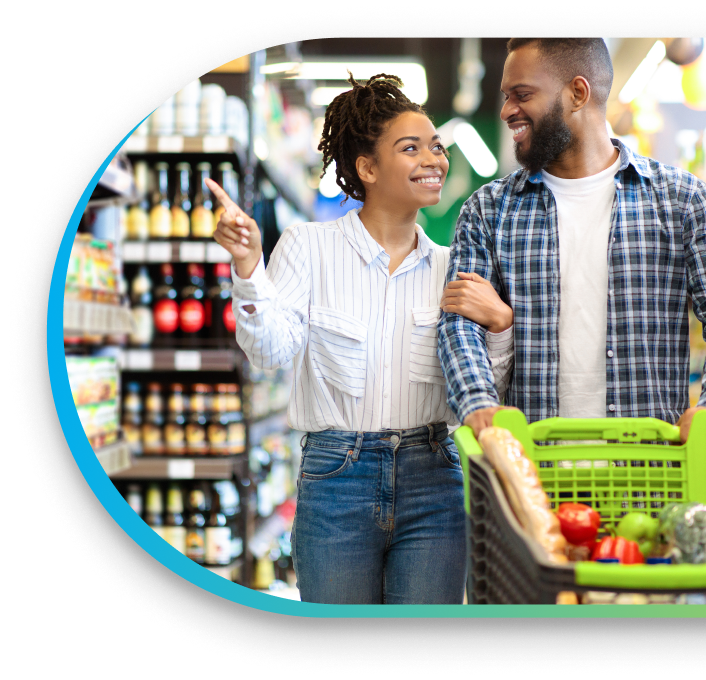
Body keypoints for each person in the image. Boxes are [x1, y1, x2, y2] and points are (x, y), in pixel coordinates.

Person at [205, 73, 515, 605]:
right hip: (335, 480)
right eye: (411, 148)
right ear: (367, 168)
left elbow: (487, 388)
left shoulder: (452, 268)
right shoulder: (309, 246)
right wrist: (249, 265)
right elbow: (269, 350)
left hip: (434, 479)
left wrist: (501, 325)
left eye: (436, 147)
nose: (434, 159)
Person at [438, 37, 706, 445]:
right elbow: (459, 323)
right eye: (506, 97)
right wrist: (477, 402)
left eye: (521, 95)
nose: (506, 111)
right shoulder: (489, 210)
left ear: (578, 93)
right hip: (531, 476)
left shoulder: (680, 197)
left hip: (650, 475)